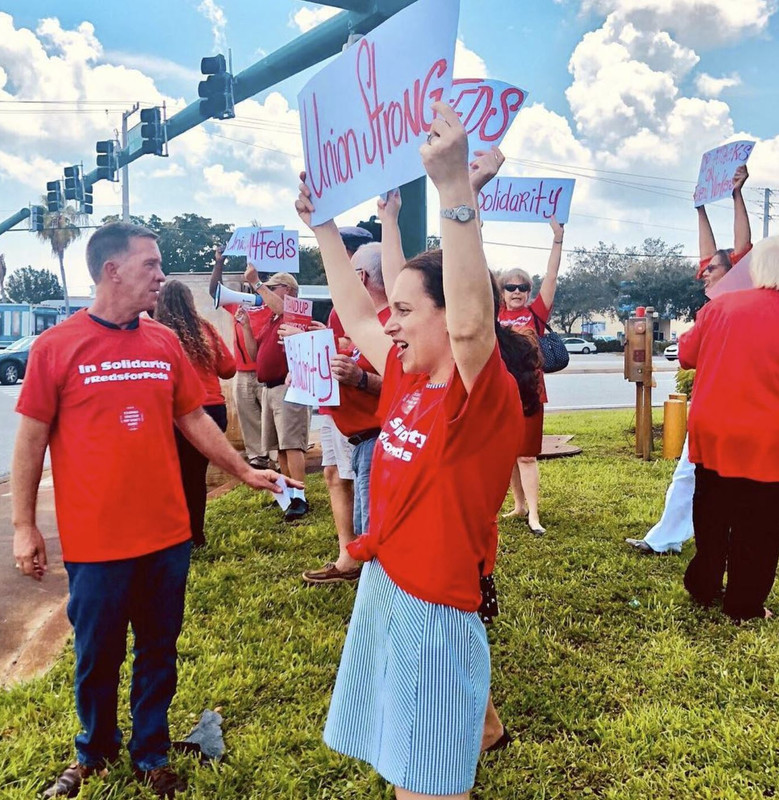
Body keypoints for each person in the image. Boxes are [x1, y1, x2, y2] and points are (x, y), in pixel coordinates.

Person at [11, 222, 297, 799]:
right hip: (97, 541)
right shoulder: (56, 347)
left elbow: (193, 418)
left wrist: (244, 470)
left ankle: (151, 752)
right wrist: (24, 526)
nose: (161, 275)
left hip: (166, 534)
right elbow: (30, 439)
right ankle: (93, 751)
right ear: (111, 270)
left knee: (158, 651)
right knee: (97, 654)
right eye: (151, 264)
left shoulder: (163, 342)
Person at [296, 102, 524, 799]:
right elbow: (357, 313)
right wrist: (324, 230)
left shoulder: (477, 394)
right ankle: (480, 724)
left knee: (421, 782)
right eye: (390, 310)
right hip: (387, 583)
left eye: (405, 311)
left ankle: (469, 730)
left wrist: (455, 191)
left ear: (445, 317)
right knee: (398, 741)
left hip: (434, 607)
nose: (387, 324)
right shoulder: (405, 376)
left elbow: (468, 321)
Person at [626, 164, 752, 555]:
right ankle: (664, 539)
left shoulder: (740, 290)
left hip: (745, 405)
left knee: (739, 482)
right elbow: (708, 253)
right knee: (687, 474)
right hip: (711, 404)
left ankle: (736, 543)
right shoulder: (712, 303)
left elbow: (740, 245)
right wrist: (699, 207)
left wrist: (735, 195)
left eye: (712, 269)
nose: (703, 274)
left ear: (734, 271)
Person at [678, 235, 779, 620]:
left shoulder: (720, 307)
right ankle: (744, 603)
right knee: (760, 525)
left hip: (714, 430)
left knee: (711, 512)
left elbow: (686, 355)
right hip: (766, 437)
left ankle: (704, 585)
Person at [301, 241, 389, 584]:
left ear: (361, 276)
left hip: (376, 437)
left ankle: (376, 592)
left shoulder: (385, 322)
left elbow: (408, 382)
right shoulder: (366, 321)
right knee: (368, 522)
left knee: (373, 528)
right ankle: (363, 574)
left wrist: (361, 378)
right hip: (362, 438)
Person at [155, 279, 236, 548]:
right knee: (195, 476)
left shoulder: (157, 333)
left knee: (172, 476)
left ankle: (176, 534)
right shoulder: (206, 329)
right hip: (214, 412)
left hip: (178, 415)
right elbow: (228, 369)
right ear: (190, 301)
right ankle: (196, 535)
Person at [497, 217, 565, 535]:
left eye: (523, 287)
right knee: (508, 454)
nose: (517, 292)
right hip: (499, 391)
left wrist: (557, 240)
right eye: (511, 287)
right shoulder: (493, 315)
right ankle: (519, 505)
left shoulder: (535, 313)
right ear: (501, 291)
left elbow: (551, 276)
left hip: (529, 393)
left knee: (525, 455)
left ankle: (533, 514)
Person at [237, 272, 311, 522]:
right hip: (270, 388)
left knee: (291, 443)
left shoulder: (295, 313)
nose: (265, 292)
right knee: (279, 446)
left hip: (287, 387)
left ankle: (300, 496)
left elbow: (285, 308)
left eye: (272, 287)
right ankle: (288, 495)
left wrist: (256, 283)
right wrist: (246, 326)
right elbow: (254, 353)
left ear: (287, 290)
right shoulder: (273, 319)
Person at [209, 251, 284, 470]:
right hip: (242, 372)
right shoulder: (239, 303)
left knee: (272, 416)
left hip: (267, 372)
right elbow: (216, 291)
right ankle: (257, 456)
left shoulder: (274, 305)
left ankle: (277, 456)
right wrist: (219, 262)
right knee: (249, 416)